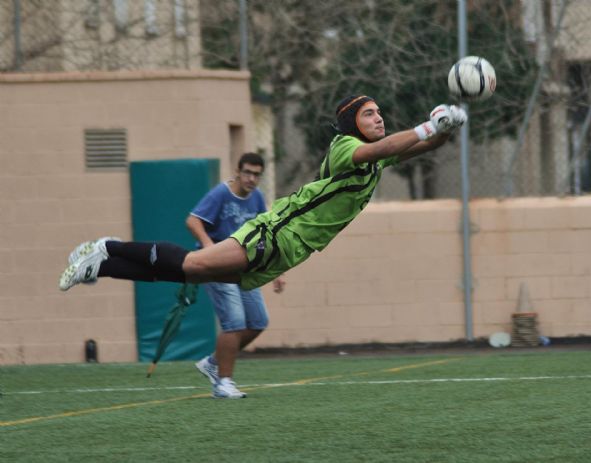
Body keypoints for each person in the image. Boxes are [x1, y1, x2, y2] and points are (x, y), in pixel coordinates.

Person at [59, 95, 467, 347]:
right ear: (351, 126)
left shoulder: (379, 155)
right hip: (277, 231)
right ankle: (109, 246)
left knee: (192, 276)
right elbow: (397, 143)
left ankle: (103, 263)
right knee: (194, 264)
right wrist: (428, 124)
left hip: (290, 250)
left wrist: (448, 128)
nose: (379, 118)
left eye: (380, 113)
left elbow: (415, 147)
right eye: (370, 114)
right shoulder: (347, 147)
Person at [187, 152, 285, 399]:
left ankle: (212, 362)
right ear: (237, 172)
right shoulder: (221, 194)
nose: (251, 179)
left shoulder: (257, 198)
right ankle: (223, 383)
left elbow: (265, 234)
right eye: (247, 173)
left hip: (244, 268)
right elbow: (193, 221)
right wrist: (210, 248)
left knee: (258, 322)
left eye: (256, 175)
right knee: (234, 323)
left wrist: (276, 271)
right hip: (218, 267)